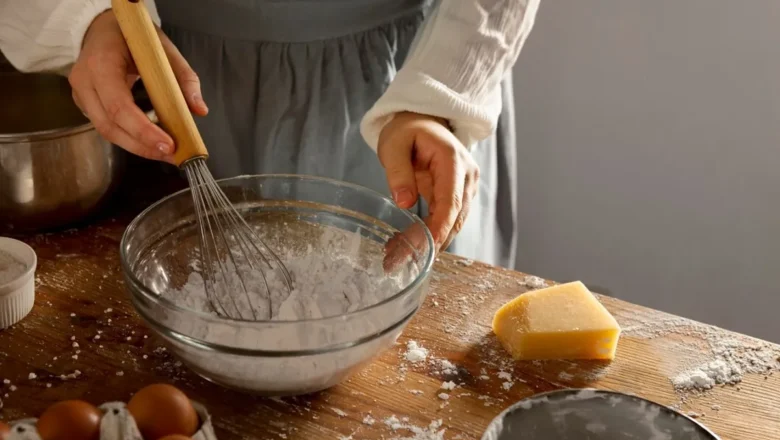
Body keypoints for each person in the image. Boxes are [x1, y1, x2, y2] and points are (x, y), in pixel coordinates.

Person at [0, 0, 539, 268]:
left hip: (403, 87)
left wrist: (439, 94)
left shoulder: (424, 98)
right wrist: (80, 18)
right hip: (161, 69)